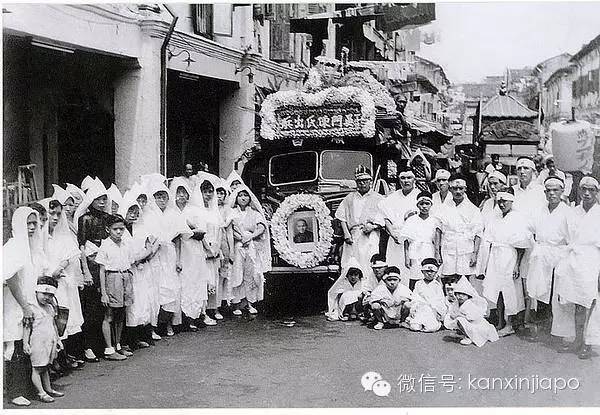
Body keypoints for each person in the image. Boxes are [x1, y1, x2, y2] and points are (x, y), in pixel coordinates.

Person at [555, 176, 600, 359]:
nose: (587, 193)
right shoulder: (573, 213)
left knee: (592, 303)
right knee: (578, 303)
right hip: (574, 261)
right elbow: (565, 237)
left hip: (593, 261)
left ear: (597, 192)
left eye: (591, 190)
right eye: (584, 189)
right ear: (579, 191)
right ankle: (578, 340)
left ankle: (588, 343)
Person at [3, 207, 43, 406]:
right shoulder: (13, 247)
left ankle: (28, 388)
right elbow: (11, 279)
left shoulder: (31, 246)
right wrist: (24, 306)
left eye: (35, 223)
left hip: (28, 302)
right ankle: (15, 392)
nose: (32, 227)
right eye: (28, 223)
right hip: (14, 303)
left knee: (28, 343)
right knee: (15, 344)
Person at [481, 188, 531, 337]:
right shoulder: (495, 217)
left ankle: (510, 324)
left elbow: (522, 245)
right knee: (497, 289)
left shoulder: (518, 218)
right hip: (495, 257)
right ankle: (500, 322)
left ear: (511, 201)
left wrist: (516, 265)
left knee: (510, 291)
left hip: (510, 256)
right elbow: (488, 239)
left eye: (505, 201)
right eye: (499, 201)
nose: (501, 204)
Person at [146, 178, 191, 337]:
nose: (162, 200)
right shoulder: (149, 215)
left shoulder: (173, 214)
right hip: (155, 255)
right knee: (156, 289)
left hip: (170, 254)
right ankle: (153, 326)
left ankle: (169, 324)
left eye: (164, 196)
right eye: (158, 197)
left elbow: (178, 239)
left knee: (172, 289)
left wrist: (178, 259)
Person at [73, 179, 111, 363]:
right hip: (91, 263)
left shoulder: (108, 218)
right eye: (98, 199)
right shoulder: (85, 219)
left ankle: (102, 345)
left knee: (105, 307)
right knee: (91, 308)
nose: (102, 202)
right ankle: (88, 346)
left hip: (105, 263)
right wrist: (86, 271)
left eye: (104, 199)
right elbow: (81, 246)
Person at [170, 177, 210, 329]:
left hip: (193, 251)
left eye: (184, 192)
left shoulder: (194, 210)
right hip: (176, 251)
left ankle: (193, 317)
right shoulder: (171, 211)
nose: (181, 195)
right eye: (178, 192)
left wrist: (188, 229)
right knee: (179, 282)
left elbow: (201, 232)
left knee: (193, 281)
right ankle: (178, 320)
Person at [119, 194, 158, 348]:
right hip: (128, 269)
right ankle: (128, 341)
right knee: (130, 303)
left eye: (136, 212)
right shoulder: (120, 229)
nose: (133, 215)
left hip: (142, 268)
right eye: (130, 211)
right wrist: (136, 258)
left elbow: (150, 247)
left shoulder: (141, 227)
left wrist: (142, 256)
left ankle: (141, 336)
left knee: (143, 301)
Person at [335, 165, 384, 286]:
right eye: (359, 181)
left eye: (365, 181)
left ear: (370, 181)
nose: (362, 184)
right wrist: (346, 233)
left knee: (368, 262)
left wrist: (373, 226)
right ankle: (351, 291)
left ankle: (368, 290)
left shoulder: (378, 198)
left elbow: (385, 218)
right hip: (353, 236)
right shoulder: (349, 198)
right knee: (351, 263)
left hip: (370, 236)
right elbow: (341, 216)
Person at [95, 214, 135, 360]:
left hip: (124, 277)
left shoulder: (125, 244)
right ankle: (109, 349)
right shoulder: (105, 245)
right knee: (109, 315)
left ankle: (118, 345)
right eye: (115, 229)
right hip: (112, 279)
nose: (118, 232)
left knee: (121, 314)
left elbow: (130, 262)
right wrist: (104, 293)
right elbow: (101, 270)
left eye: (121, 229)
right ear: (108, 229)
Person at [434, 175, 483, 291]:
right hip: (448, 248)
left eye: (460, 188)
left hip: (466, 249)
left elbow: (478, 233)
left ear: (465, 189)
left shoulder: (473, 209)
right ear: (450, 189)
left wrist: (475, 254)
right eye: (455, 188)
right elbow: (438, 230)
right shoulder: (443, 208)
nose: (458, 191)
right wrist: (437, 252)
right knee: (447, 280)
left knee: (464, 282)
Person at [229, 185, 271, 315]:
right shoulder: (232, 212)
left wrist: (250, 237)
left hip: (251, 246)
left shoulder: (255, 213)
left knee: (251, 273)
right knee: (237, 273)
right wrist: (241, 238)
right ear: (236, 198)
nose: (243, 198)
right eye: (240, 195)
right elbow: (229, 229)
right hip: (238, 246)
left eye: (245, 195)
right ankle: (236, 304)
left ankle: (250, 303)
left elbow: (261, 227)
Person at [22, 276, 65, 403]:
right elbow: (27, 327)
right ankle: (41, 392)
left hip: (49, 341)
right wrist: (25, 343)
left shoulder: (50, 308)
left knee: (45, 366)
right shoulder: (31, 308)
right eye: (44, 294)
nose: (47, 297)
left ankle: (48, 389)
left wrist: (58, 339)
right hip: (38, 342)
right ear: (37, 291)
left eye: (50, 295)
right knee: (37, 368)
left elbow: (53, 325)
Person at [195, 172, 225, 325]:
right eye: (205, 192)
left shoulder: (214, 211)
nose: (208, 195)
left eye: (211, 192)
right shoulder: (198, 211)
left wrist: (217, 248)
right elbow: (200, 233)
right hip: (204, 250)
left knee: (214, 280)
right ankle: (202, 312)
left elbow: (219, 231)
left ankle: (212, 309)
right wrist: (207, 249)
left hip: (215, 249)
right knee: (204, 280)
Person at [379, 169, 419, 280]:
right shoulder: (392, 197)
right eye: (403, 178)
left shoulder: (420, 196)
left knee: (413, 270)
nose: (406, 181)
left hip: (414, 239)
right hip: (395, 238)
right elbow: (386, 218)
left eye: (409, 178)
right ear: (399, 180)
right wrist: (393, 234)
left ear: (414, 180)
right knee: (395, 267)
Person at [444, 277, 499, 347]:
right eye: (458, 294)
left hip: (476, 325)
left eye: (463, 295)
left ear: (468, 296)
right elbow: (452, 312)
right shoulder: (456, 303)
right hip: (469, 324)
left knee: (459, 319)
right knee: (454, 319)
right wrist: (453, 315)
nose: (460, 296)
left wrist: (459, 315)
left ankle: (469, 337)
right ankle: (464, 332)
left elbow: (472, 318)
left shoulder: (469, 304)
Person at [401, 191, 439, 290]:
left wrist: (437, 254)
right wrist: (407, 257)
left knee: (429, 274)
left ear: (431, 205)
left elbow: (437, 239)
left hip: (429, 250)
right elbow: (406, 240)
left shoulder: (435, 220)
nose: (424, 206)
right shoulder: (411, 220)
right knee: (415, 276)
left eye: (427, 204)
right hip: (415, 251)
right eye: (421, 204)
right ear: (417, 205)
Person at [475, 170, 507, 280]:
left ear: (503, 184)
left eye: (495, 183)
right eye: (490, 184)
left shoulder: (507, 204)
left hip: (499, 248)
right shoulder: (487, 203)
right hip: (485, 246)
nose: (492, 187)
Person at [405, 258, 447, 332]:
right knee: (414, 327)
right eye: (427, 271)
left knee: (431, 328)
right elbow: (415, 298)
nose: (429, 273)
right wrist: (413, 309)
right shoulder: (418, 283)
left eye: (432, 271)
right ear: (422, 271)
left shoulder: (437, 285)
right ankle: (415, 322)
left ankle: (437, 324)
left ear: (435, 272)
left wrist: (438, 312)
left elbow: (440, 300)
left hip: (432, 310)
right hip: (421, 308)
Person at [216, 181, 234, 316]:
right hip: (213, 244)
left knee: (224, 275)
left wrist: (231, 250)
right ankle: (213, 307)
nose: (219, 196)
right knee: (214, 276)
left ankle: (222, 304)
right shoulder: (209, 209)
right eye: (217, 193)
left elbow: (229, 232)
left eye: (221, 193)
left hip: (224, 243)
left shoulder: (227, 210)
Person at [361, 254, 388, 323]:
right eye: (374, 268)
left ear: (385, 267)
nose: (377, 270)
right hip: (373, 297)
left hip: (386, 299)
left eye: (380, 267)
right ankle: (368, 315)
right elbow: (366, 288)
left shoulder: (389, 276)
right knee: (361, 297)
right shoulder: (371, 275)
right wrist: (367, 294)